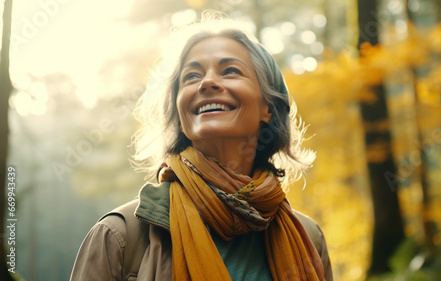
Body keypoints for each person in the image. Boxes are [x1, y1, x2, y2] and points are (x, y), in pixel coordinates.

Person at [70, 11, 333, 281]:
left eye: (230, 71)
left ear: (268, 107)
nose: (206, 82)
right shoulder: (120, 238)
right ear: (179, 111)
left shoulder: (309, 238)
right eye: (191, 76)